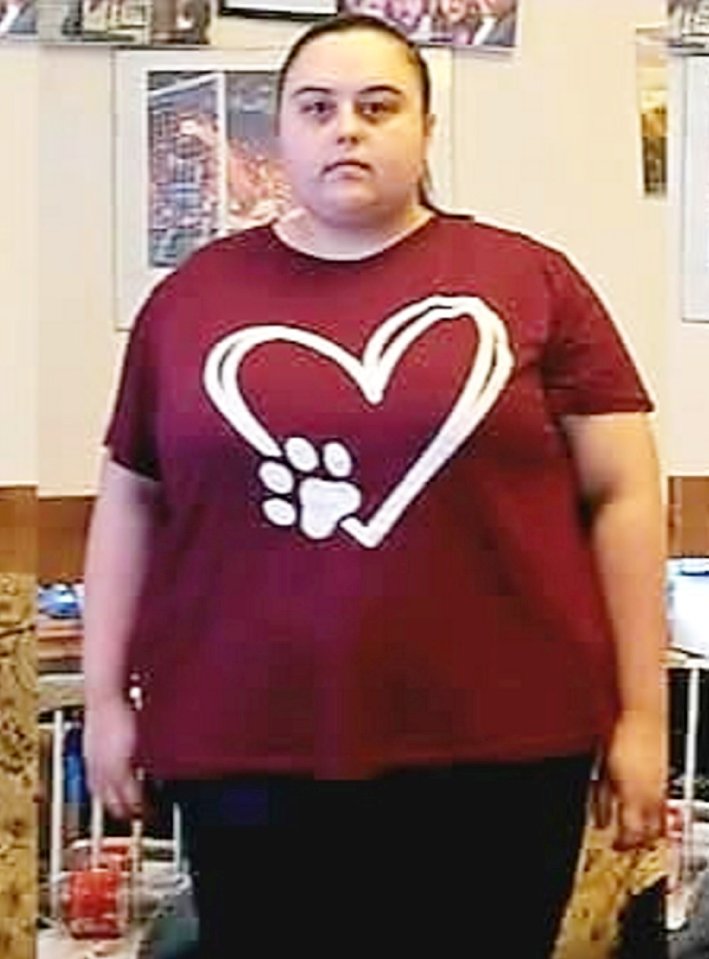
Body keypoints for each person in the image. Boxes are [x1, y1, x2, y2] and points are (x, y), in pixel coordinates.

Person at [83, 13, 668, 959]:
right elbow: (130, 501)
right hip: (247, 743)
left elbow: (625, 495)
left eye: (378, 105)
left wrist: (642, 715)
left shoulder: (530, 281)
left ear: (426, 131)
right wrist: (106, 698)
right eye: (317, 107)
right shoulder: (190, 300)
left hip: (499, 747)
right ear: (280, 134)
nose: (346, 127)